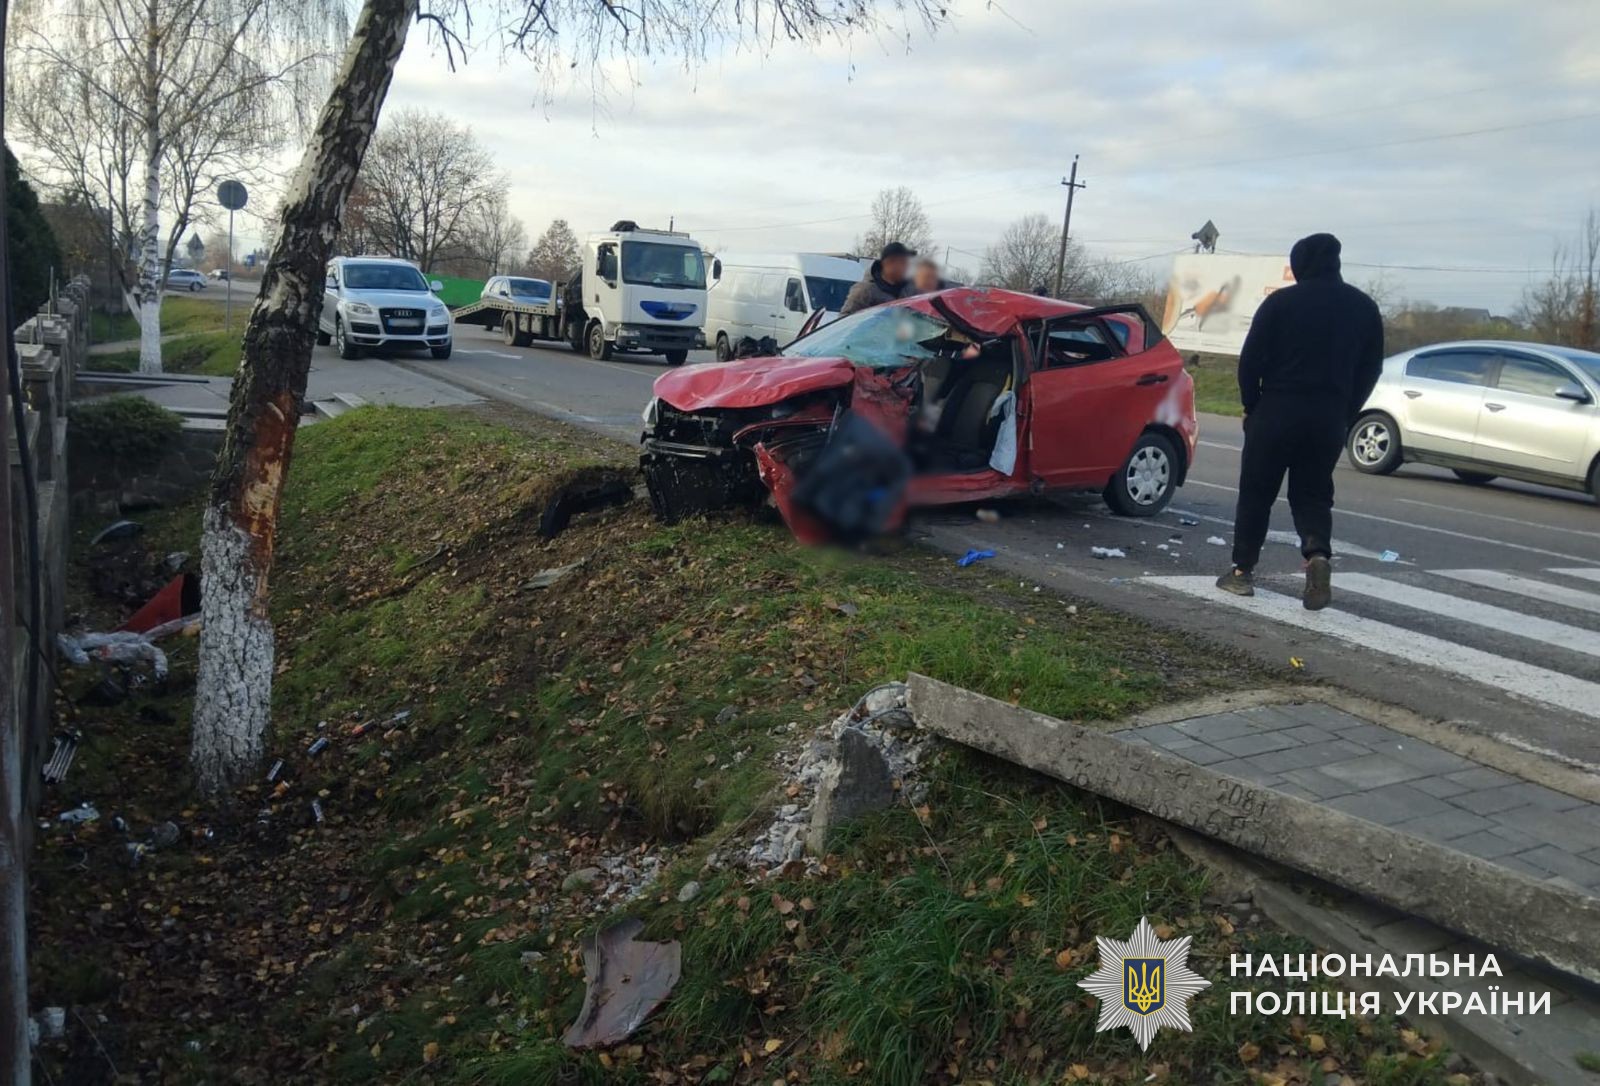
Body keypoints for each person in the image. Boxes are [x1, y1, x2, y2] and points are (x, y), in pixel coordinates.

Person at [1216, 233, 1383, 610]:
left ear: (1300, 264)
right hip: (1328, 417)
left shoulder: (1281, 303)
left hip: (1276, 410)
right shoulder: (1364, 308)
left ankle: (1241, 572)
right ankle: (1317, 553)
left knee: (1257, 492)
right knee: (1313, 493)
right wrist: (1345, 411)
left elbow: (1251, 360)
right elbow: (1370, 369)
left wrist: (1251, 405)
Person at [841, 242, 915, 316]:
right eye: (903, 262)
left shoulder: (911, 289)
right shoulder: (865, 291)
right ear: (889, 263)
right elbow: (845, 319)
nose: (907, 267)